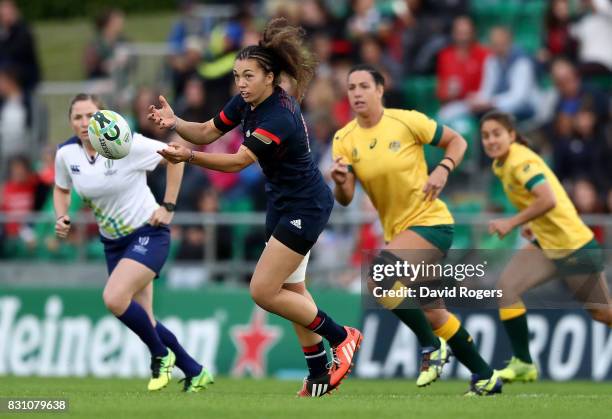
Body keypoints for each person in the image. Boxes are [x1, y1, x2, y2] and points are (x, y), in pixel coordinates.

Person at [148, 18, 362, 398]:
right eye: (236, 76)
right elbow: (209, 130)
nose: (240, 83)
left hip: (306, 205)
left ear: (270, 77)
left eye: (248, 76)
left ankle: (342, 336)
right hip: (282, 204)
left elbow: (236, 162)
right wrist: (175, 121)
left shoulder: (278, 115)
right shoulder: (247, 101)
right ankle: (317, 375)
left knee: (263, 291)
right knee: (292, 291)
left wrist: (188, 157)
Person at [330, 64, 502, 396]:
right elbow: (347, 197)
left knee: (379, 278)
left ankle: (430, 348)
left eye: (364, 86)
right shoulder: (344, 138)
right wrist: (339, 183)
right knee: (435, 313)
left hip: (431, 222)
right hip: (400, 234)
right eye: (351, 88)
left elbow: (457, 141)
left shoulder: (407, 121)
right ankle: (486, 377)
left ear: (380, 90)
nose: (357, 93)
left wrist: (442, 169)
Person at [54, 93, 213, 393]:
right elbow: (61, 188)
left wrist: (168, 206)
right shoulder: (66, 154)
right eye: (77, 117)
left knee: (114, 298)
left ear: (104, 117)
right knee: (147, 319)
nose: (84, 122)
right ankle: (195, 371)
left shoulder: (126, 144)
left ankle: (160, 355)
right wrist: (62, 216)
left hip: (147, 233)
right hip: (113, 244)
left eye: (91, 115)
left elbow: (176, 155)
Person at [480, 110, 612, 383]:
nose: (491, 140)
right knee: (507, 288)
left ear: (512, 136)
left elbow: (548, 199)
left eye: (497, 134)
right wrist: (531, 225)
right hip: (546, 243)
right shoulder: (500, 165)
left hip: (572, 245)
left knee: (602, 312)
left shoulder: (519, 161)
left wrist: (513, 222)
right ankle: (523, 363)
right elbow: (536, 202)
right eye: (485, 136)